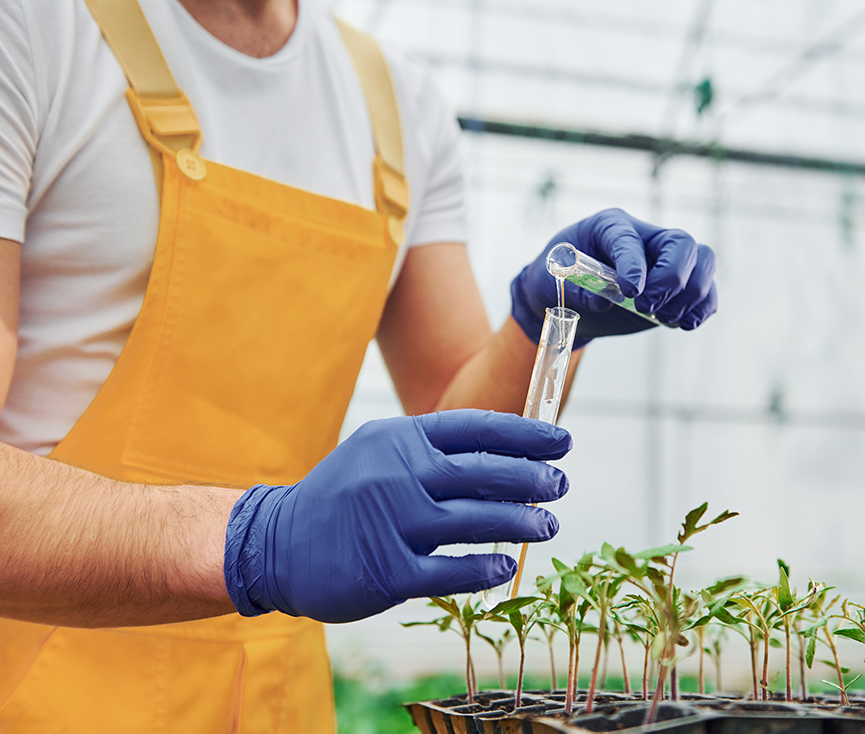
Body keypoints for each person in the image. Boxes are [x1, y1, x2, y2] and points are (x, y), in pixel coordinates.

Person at [0, 0, 718, 730]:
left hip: (276, 699)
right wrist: (255, 540)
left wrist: (540, 327)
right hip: (43, 690)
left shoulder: (396, 105)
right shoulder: (36, 30)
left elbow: (453, 423)